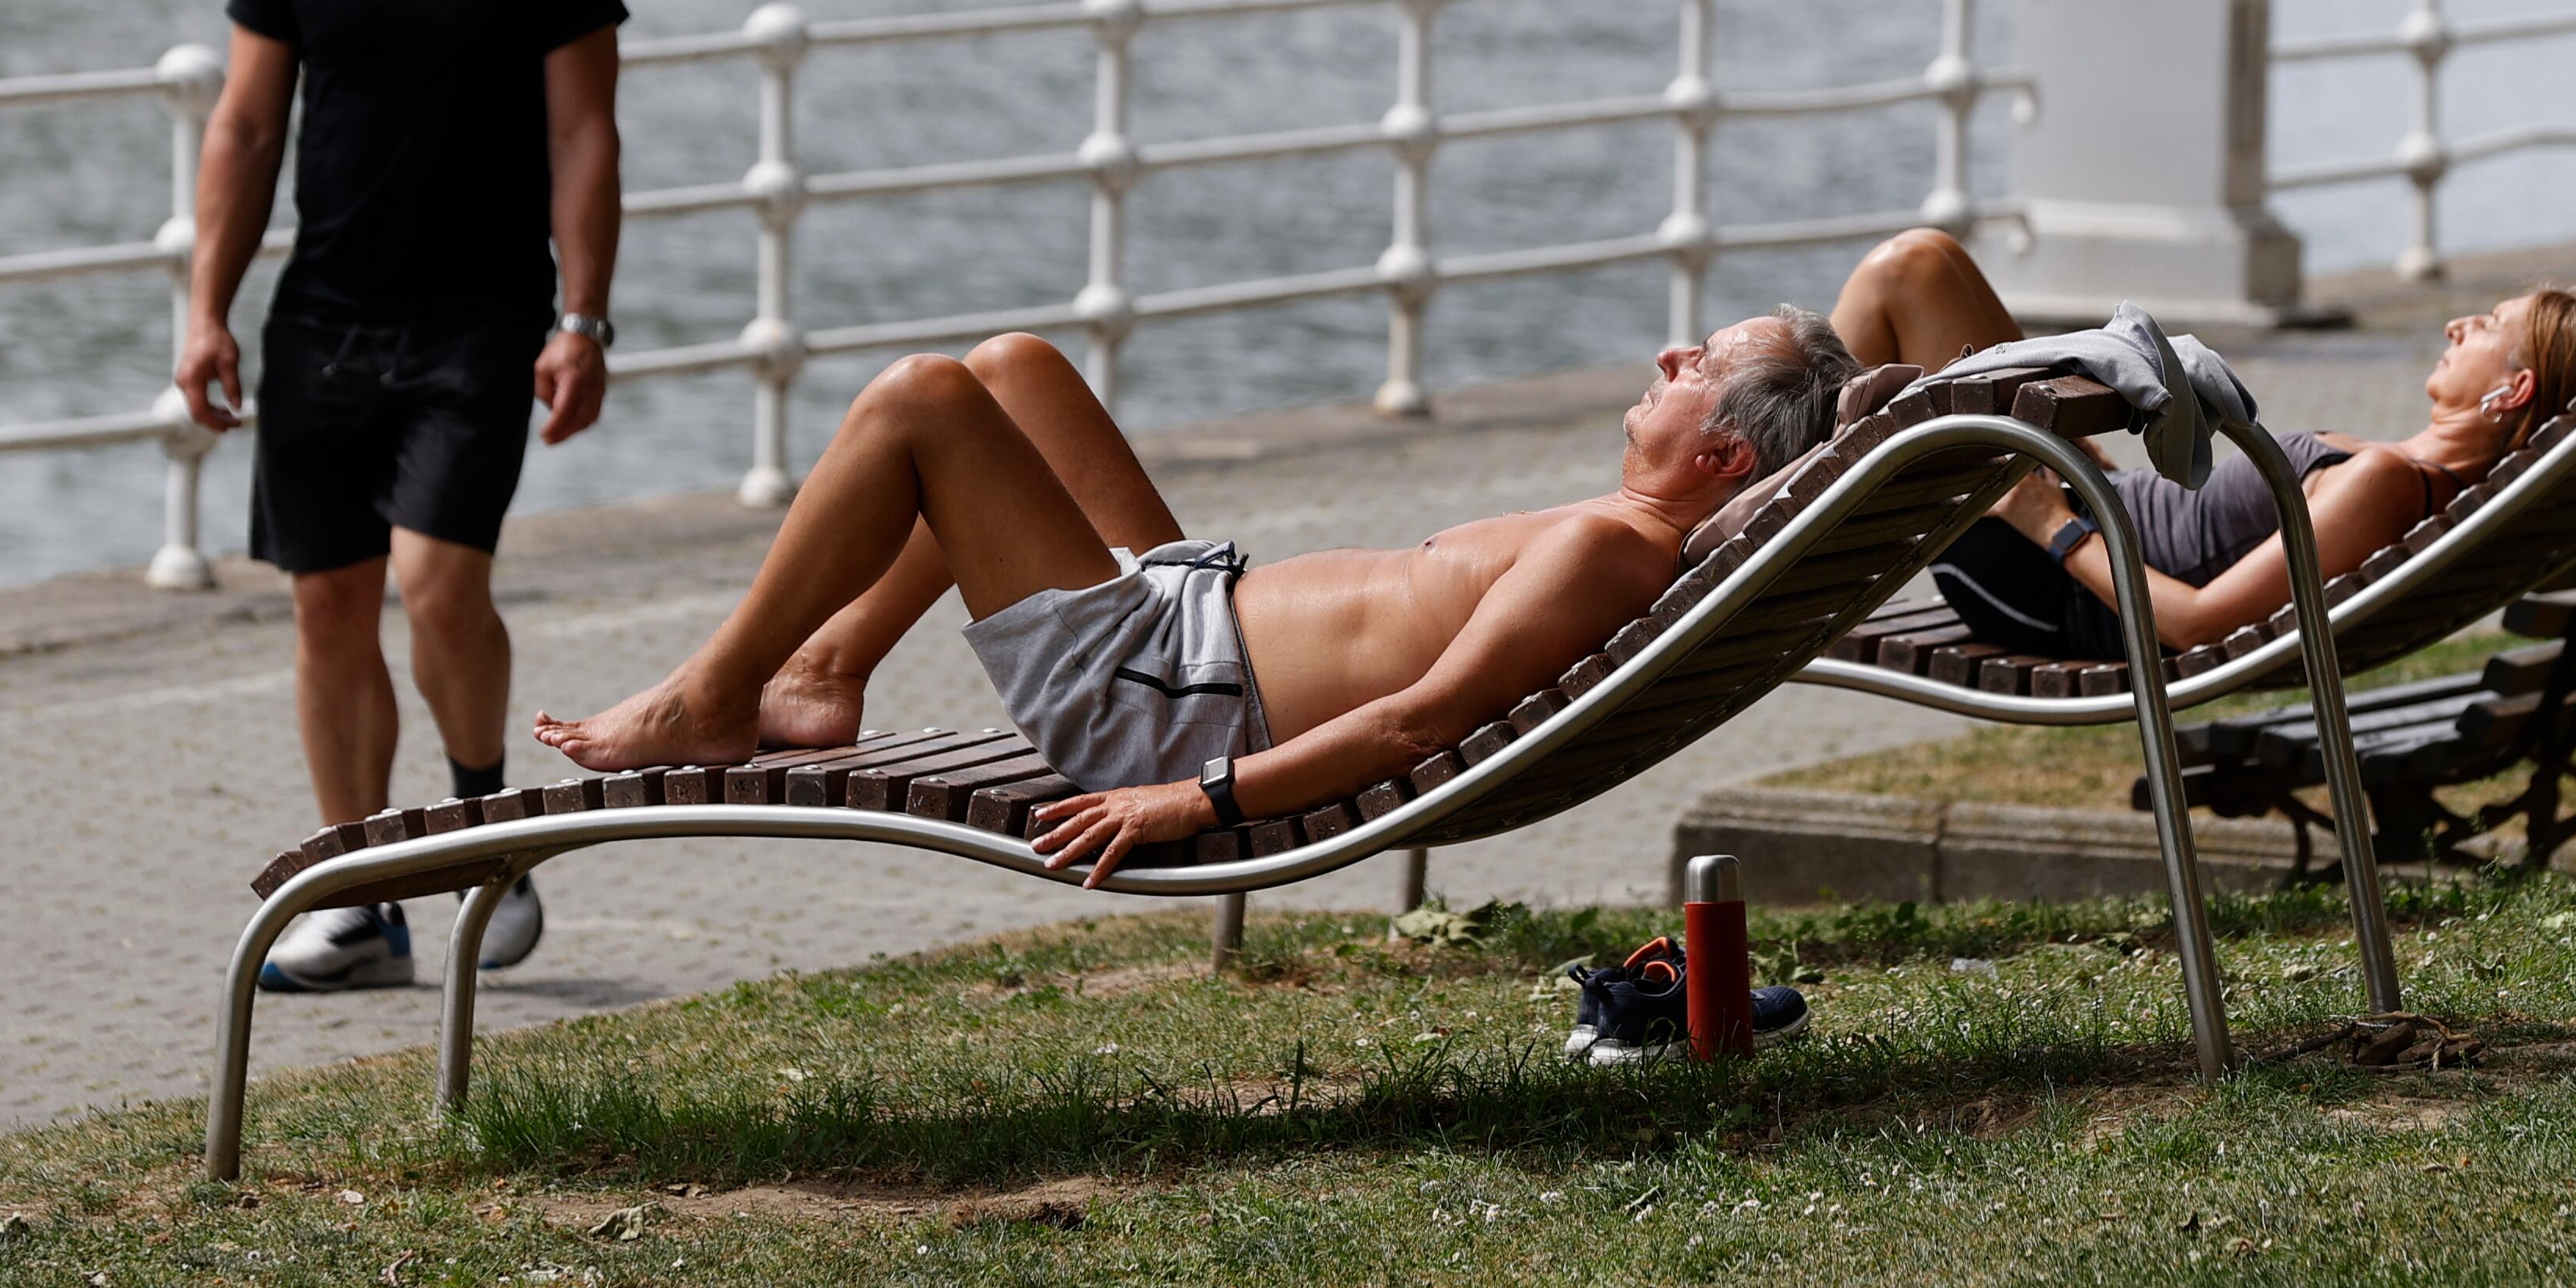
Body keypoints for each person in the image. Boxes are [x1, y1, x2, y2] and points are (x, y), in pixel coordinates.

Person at [532, 309, 1862, 886]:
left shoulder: (1606, 551)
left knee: (922, 399)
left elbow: (1414, 722)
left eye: (1703, 361)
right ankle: (823, 670)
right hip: (1190, 624)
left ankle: (711, 694)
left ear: (1724, 455)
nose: (1669, 352)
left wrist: (1190, 799)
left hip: (1162, 707)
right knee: (1018, 369)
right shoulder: (1624, 532)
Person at [174, 0, 628, 991]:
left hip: (481, 321)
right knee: (329, 609)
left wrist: (584, 313)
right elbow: (248, 127)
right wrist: (207, 307)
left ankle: (487, 833)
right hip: (322, 318)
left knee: (437, 581)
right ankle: (359, 892)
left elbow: (585, 132)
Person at [1826, 229, 2576, 659]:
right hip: (2096, 507)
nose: (2459, 323)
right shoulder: (2410, 479)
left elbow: (2200, 625)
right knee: (1928, 263)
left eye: (2489, 327)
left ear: (2515, 392)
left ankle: (1745, 490)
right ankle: (1754, 453)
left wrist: (2048, 520)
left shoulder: (2388, 481)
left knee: (1902, 273)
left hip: (2046, 568)